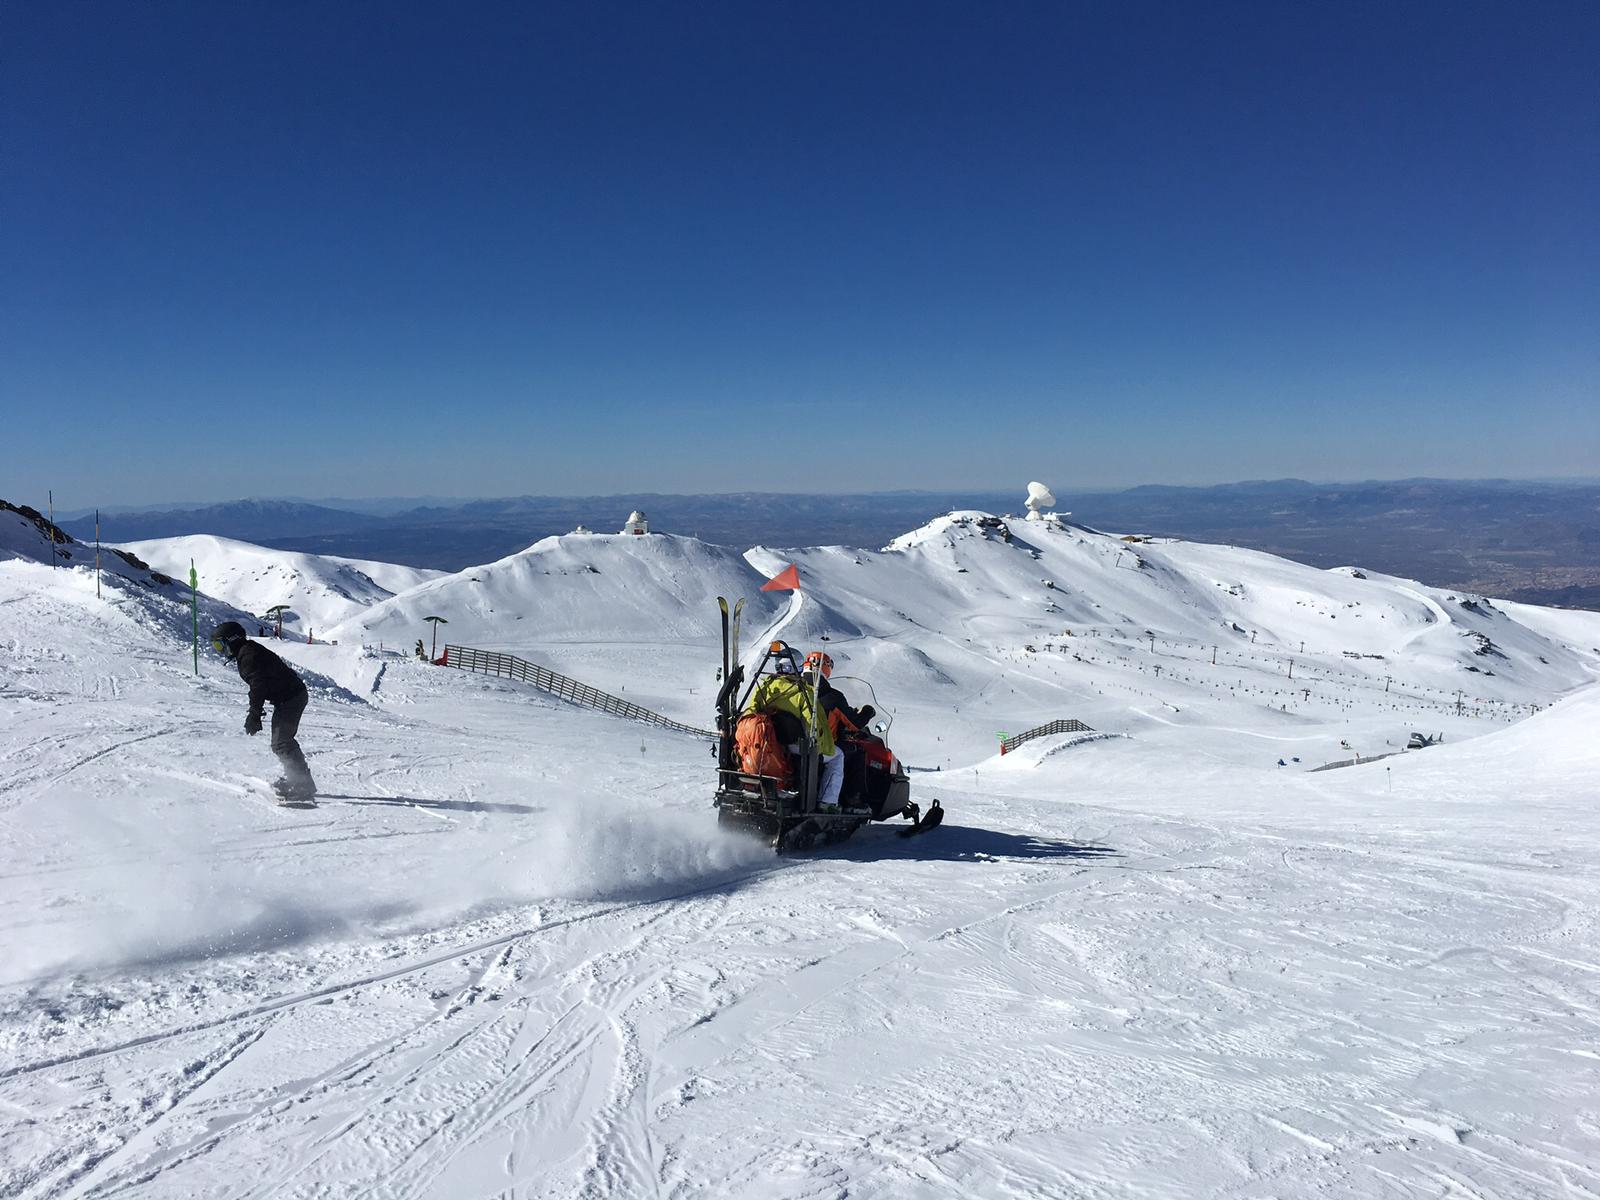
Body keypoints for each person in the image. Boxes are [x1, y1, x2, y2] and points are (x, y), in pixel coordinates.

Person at [210, 620, 318, 802]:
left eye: (220, 645)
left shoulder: (248, 656)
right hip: (288, 697)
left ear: (232, 640)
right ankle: (297, 780)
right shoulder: (246, 651)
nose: (221, 651)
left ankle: (302, 785)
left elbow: (257, 687)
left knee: (282, 742)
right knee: (281, 742)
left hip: (291, 698)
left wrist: (254, 715)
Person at [745, 654, 851, 814]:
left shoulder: (765, 688)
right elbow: (814, 725)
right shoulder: (803, 693)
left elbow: (751, 711)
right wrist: (823, 747)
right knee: (838, 756)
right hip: (795, 745)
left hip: (771, 741)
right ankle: (827, 802)